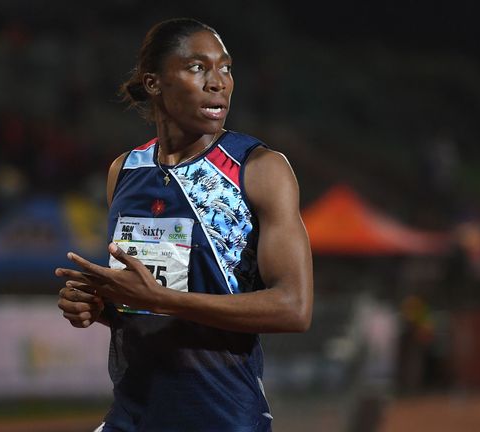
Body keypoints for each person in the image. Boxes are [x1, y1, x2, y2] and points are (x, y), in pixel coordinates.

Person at [56, 18, 313, 431]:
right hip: (134, 416)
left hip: (221, 417)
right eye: (198, 68)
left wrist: (161, 299)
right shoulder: (124, 171)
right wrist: (98, 304)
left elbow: (294, 308)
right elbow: (145, 304)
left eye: (225, 68)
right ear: (154, 83)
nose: (218, 83)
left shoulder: (260, 169)